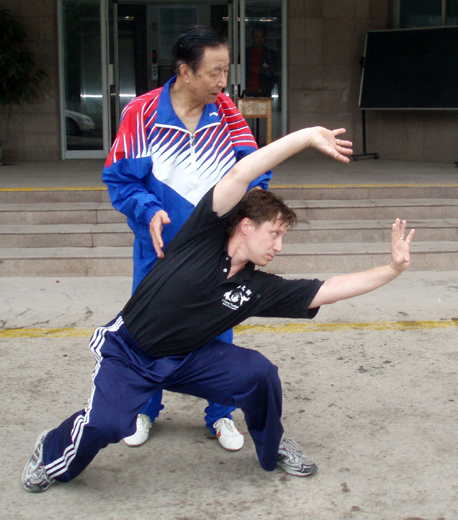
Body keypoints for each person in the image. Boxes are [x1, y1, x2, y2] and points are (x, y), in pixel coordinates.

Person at [22, 125, 416, 493]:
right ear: (246, 225)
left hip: (189, 358)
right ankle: (50, 452)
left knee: (260, 374)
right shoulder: (204, 233)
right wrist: (307, 136)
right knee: (106, 425)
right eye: (274, 233)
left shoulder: (255, 287)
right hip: (130, 353)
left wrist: (393, 269)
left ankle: (274, 445)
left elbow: (329, 290)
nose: (278, 246)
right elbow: (242, 172)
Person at [103, 26, 272, 451]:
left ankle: (220, 414)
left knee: (218, 326)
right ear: (185, 71)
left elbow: (255, 170)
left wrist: (249, 214)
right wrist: (149, 210)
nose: (222, 82)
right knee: (148, 331)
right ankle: (143, 408)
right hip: (159, 251)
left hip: (215, 251)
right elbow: (120, 179)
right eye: (215, 72)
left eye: (226, 71)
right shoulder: (141, 113)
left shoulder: (227, 113)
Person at [245, 26, 280, 98]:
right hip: (246, 92)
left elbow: (276, 72)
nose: (259, 39)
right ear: (253, 38)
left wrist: (267, 87)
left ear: (265, 38)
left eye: (262, 36)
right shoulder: (246, 53)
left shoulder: (270, 54)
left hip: (264, 93)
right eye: (257, 36)